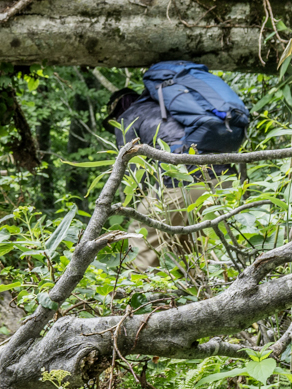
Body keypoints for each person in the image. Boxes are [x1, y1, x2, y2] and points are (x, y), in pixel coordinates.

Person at [106, 63, 250, 268]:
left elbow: (133, 170)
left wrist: (142, 201)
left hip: (183, 183)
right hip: (225, 181)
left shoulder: (128, 117)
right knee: (193, 253)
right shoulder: (174, 107)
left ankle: (130, 297)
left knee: (139, 243)